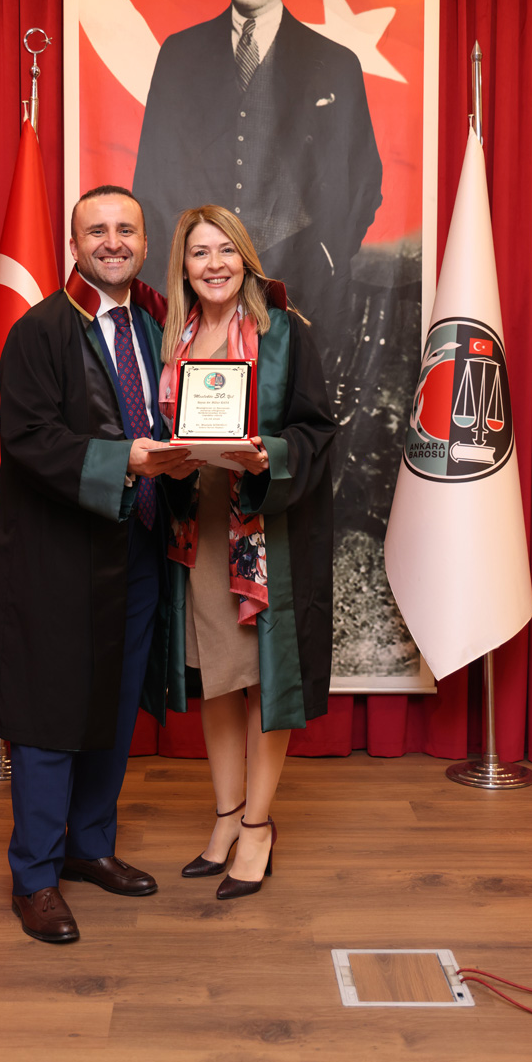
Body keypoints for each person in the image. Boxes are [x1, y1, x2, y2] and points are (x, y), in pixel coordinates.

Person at [0, 186, 196, 942]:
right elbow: (31, 441)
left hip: (135, 545)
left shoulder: (155, 327)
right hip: (57, 553)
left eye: (126, 229)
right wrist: (125, 460)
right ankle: (35, 876)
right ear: (73, 245)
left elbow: (170, 418)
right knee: (50, 711)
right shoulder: (39, 331)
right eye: (97, 230)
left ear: (144, 242)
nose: (113, 241)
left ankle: (89, 845)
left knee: (113, 701)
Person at [143, 205, 336, 898]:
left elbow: (317, 430)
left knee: (261, 677)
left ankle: (258, 825)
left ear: (246, 258)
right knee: (217, 673)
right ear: (183, 266)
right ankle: (225, 815)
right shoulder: (172, 339)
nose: (214, 264)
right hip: (197, 527)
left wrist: (266, 457)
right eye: (200, 252)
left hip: (260, 532)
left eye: (226, 250)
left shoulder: (283, 333)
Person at [132, 0, 383, 324]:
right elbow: (152, 179)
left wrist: (328, 255)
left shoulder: (335, 64)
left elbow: (363, 180)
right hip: (195, 295)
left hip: (302, 296)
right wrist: (177, 272)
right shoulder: (179, 54)